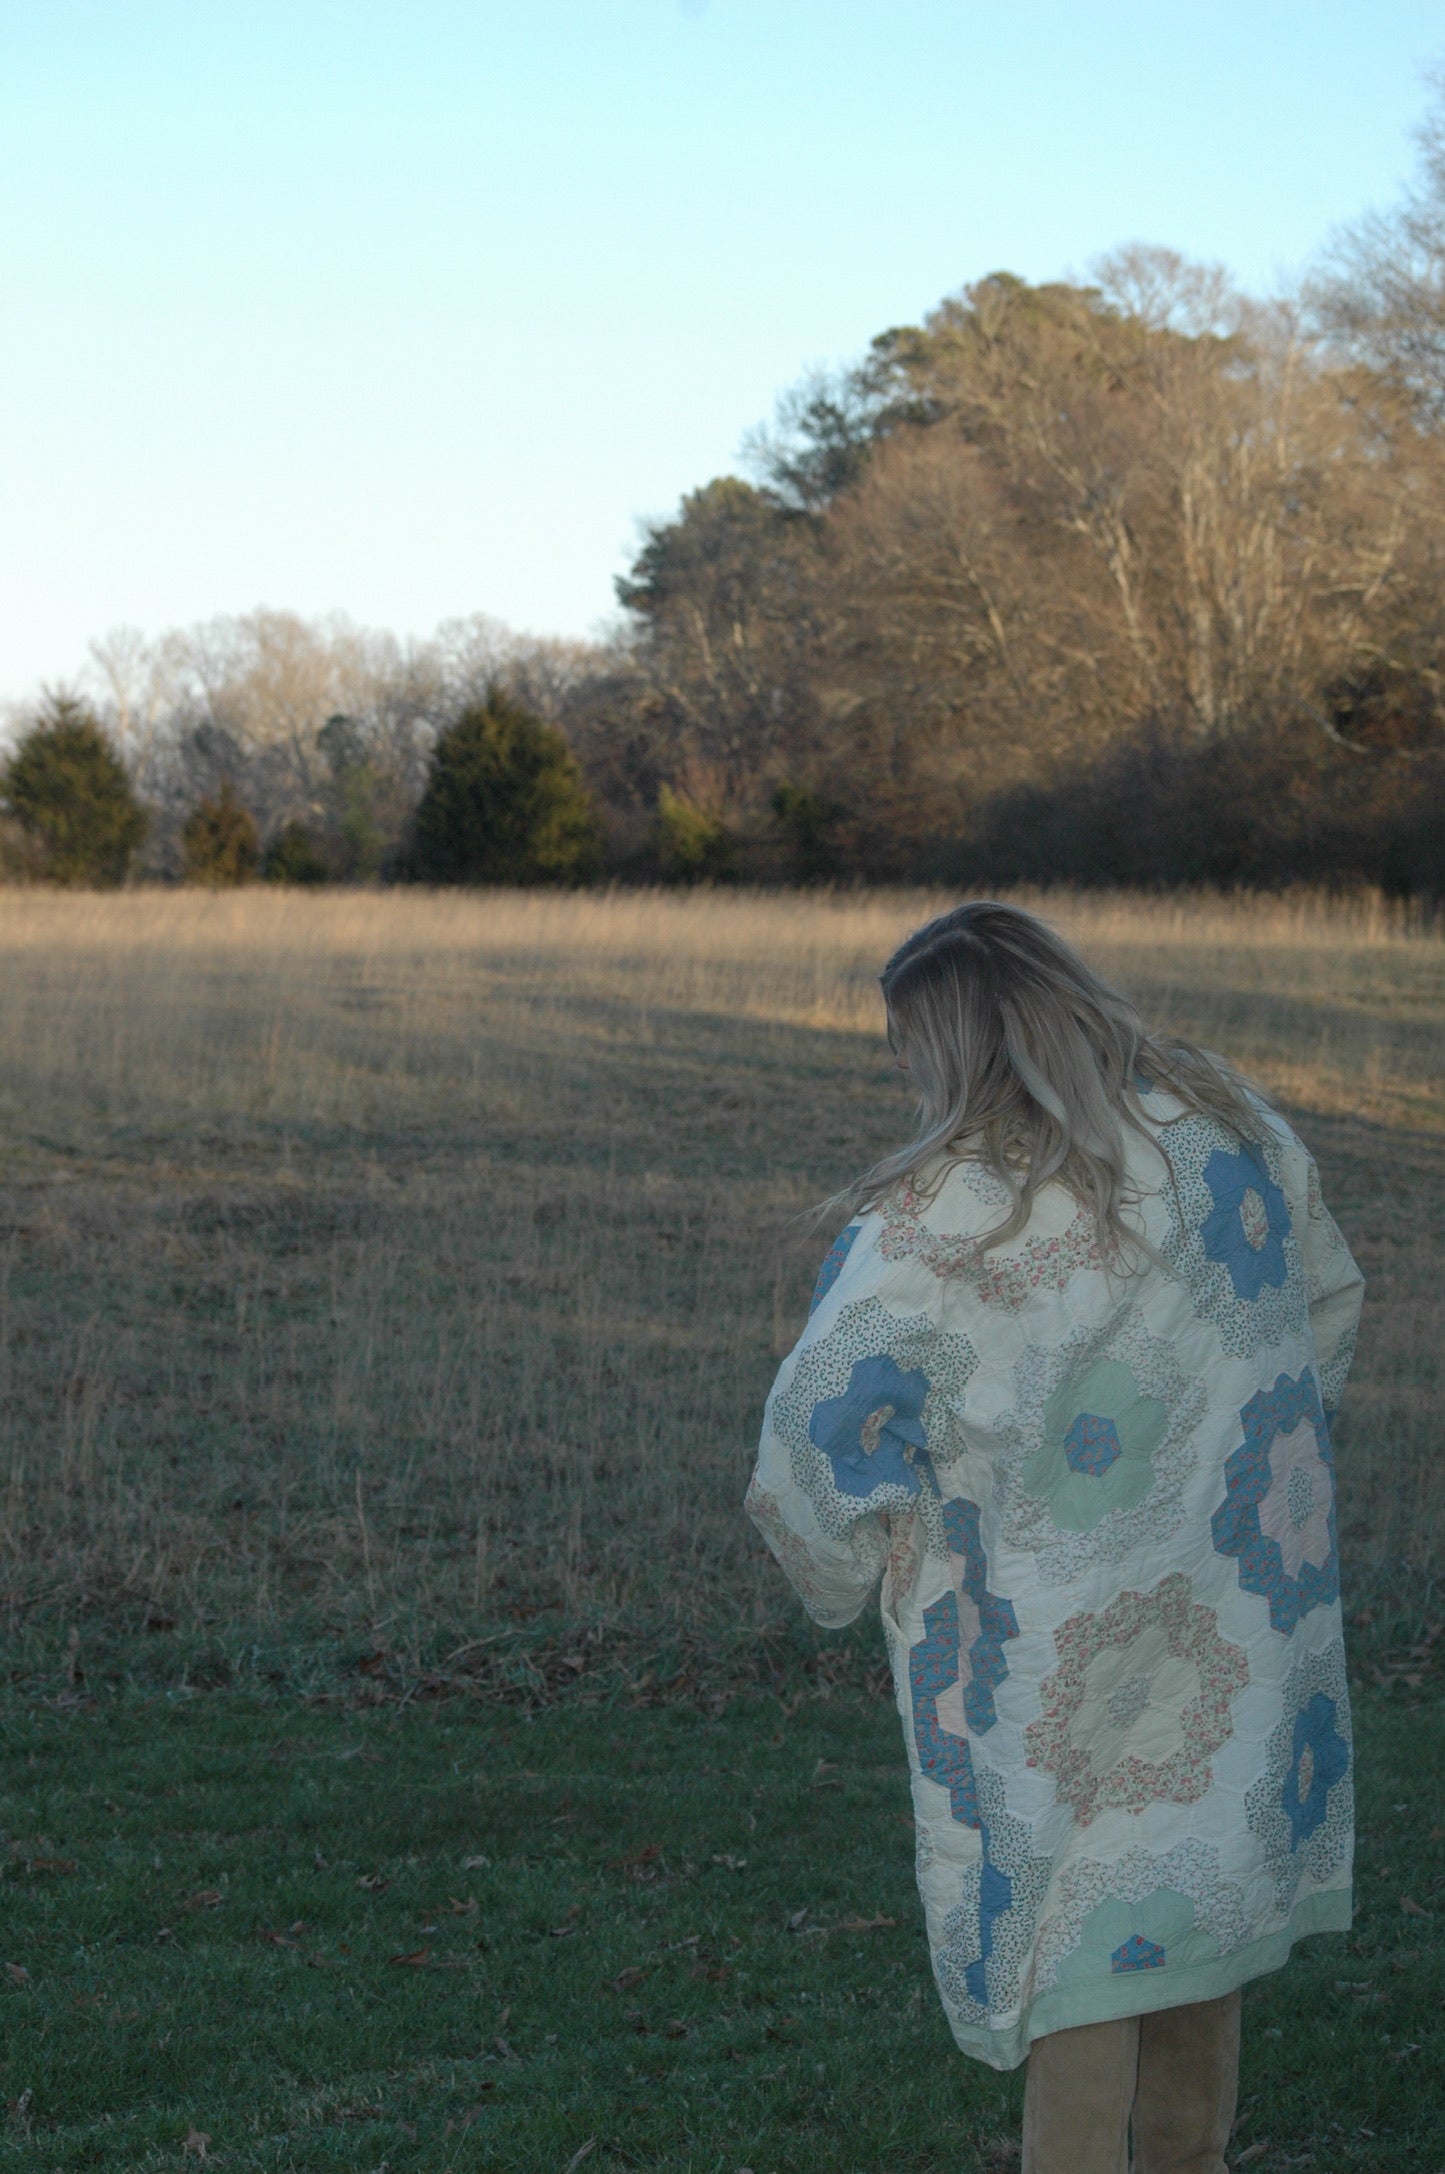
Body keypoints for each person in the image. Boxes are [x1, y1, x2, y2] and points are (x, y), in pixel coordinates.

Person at [745, 901, 1364, 2174]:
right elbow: (1321, 1309)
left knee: (1074, 1927)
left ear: (956, 1042)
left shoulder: (945, 1215)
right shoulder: (1230, 1136)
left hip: (1046, 1640)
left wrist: (848, 1564)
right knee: (1205, 1876)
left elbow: (815, 1430)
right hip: (1234, 1603)